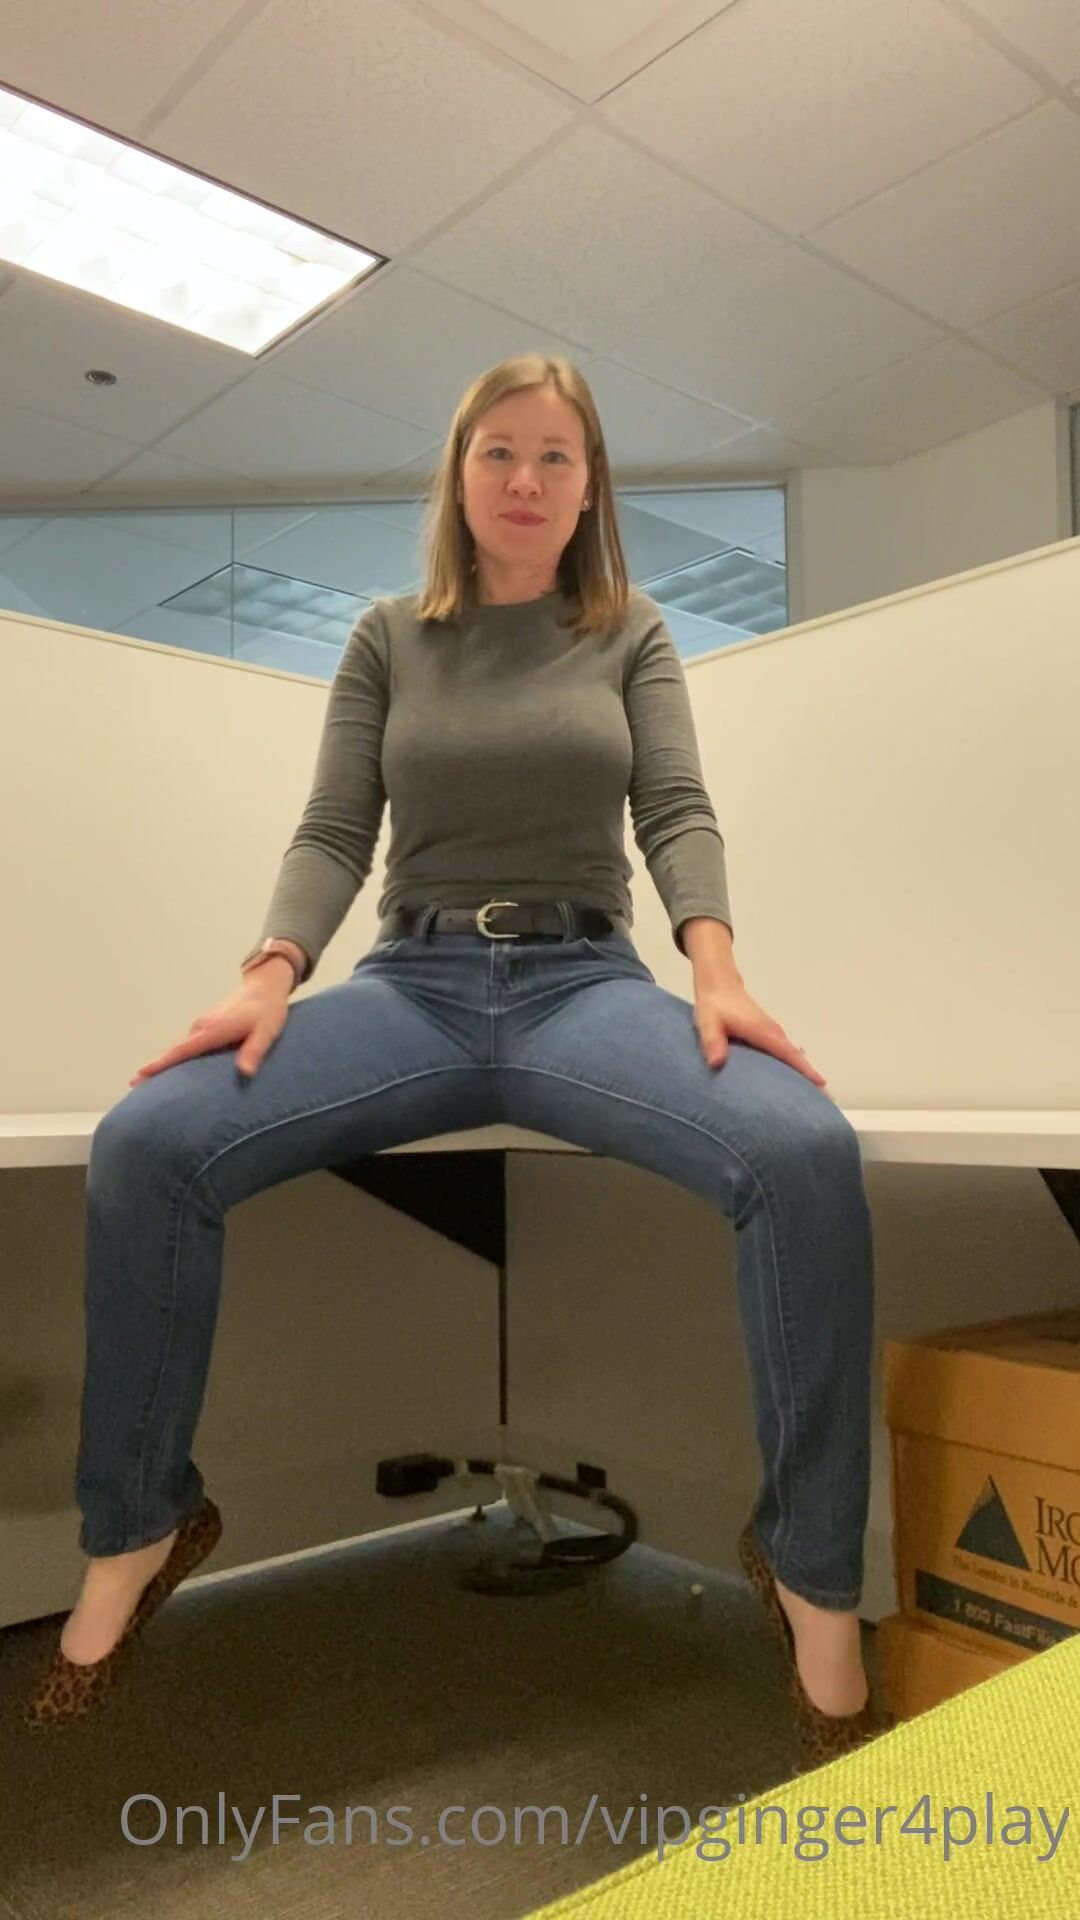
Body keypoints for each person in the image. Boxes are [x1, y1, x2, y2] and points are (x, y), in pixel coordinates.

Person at [27, 354, 891, 1767]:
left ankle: (811, 1572)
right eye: (500, 451)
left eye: (557, 457)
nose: (526, 479)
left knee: (803, 1151)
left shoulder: (630, 633)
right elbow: (332, 831)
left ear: (590, 487)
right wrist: (269, 974)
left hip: (582, 986)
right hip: (415, 987)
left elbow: (676, 808)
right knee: (150, 1143)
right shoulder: (387, 636)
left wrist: (717, 971)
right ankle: (140, 1523)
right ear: (460, 472)